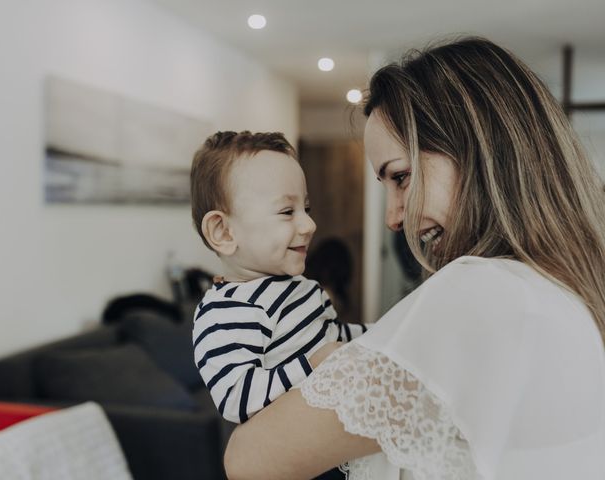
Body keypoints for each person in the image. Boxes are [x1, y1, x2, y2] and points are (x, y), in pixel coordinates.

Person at [223, 37, 605, 480]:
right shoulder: (563, 288)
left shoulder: (481, 290)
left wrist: (325, 356)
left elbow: (249, 459)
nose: (392, 218)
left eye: (401, 177)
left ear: (479, 151)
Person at [189, 131, 367, 428]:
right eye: (287, 211)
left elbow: (335, 338)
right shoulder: (226, 314)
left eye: (306, 209)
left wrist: (385, 332)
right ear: (224, 232)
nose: (309, 224)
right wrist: (312, 365)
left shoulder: (303, 288)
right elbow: (237, 399)